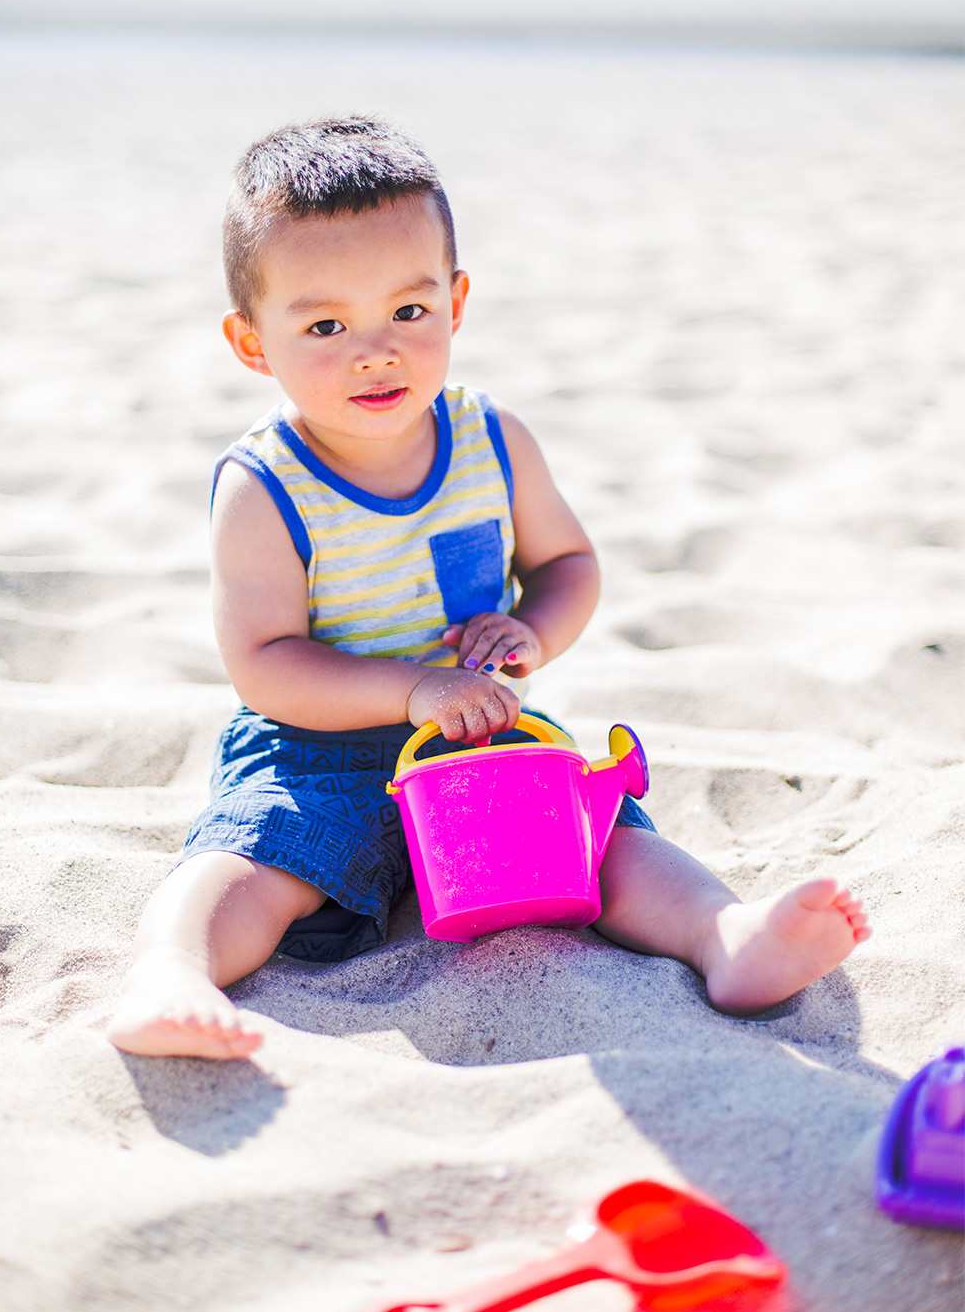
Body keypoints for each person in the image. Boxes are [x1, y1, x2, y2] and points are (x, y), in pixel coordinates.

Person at [106, 116, 868, 1062]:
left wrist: (531, 637)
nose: (375, 351)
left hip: (480, 734)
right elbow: (265, 664)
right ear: (252, 342)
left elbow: (569, 568)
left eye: (409, 313)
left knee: (609, 838)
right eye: (325, 326)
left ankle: (724, 937)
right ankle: (169, 969)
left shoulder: (493, 441)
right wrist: (410, 688)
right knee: (254, 858)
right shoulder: (263, 486)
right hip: (319, 747)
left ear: (456, 302)